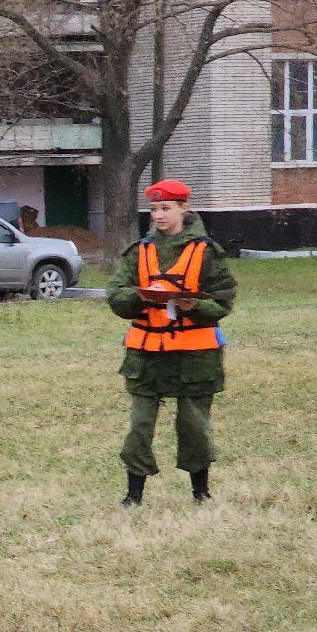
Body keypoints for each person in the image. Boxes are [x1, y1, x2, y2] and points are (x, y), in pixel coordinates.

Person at [107, 178, 236, 506]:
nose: (159, 215)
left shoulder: (206, 252)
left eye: (166, 208)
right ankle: (133, 495)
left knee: (194, 427)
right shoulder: (140, 252)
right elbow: (116, 296)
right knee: (139, 427)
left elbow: (224, 300)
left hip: (195, 357)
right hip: (146, 356)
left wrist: (194, 305)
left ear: (184, 208)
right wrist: (143, 298)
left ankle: (201, 492)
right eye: (153, 209)